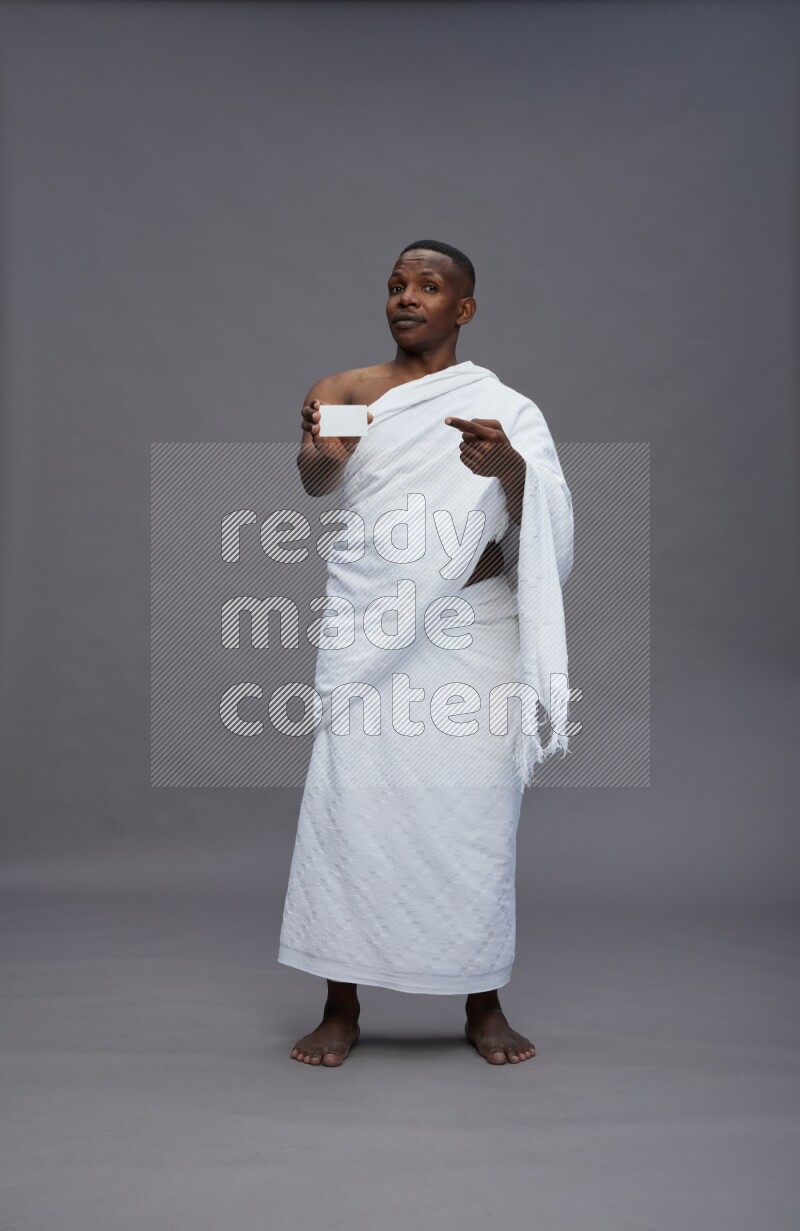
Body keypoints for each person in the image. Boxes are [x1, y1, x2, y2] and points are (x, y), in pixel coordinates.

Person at [278, 240, 573, 1066]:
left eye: (429, 286)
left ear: (463, 309)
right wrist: (323, 453)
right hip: (372, 625)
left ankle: (483, 1001)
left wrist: (507, 467)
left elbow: (544, 523)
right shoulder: (348, 392)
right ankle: (340, 1004)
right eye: (397, 285)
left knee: (475, 813)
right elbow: (318, 480)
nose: (407, 297)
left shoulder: (505, 409)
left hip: (473, 628)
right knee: (351, 809)